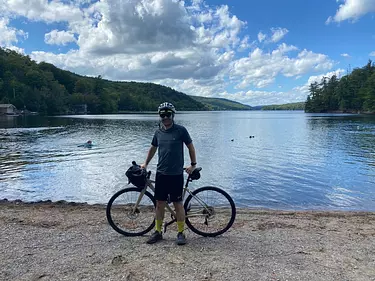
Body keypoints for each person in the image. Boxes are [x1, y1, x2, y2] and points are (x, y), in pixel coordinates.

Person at [141, 102, 197, 245]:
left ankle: (181, 232)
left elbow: (190, 147)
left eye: (168, 115)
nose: (165, 117)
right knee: (159, 204)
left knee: (178, 204)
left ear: (173, 115)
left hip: (176, 174)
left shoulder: (180, 130)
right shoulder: (158, 132)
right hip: (161, 174)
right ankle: (158, 232)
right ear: (160, 116)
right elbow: (152, 149)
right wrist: (145, 163)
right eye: (162, 115)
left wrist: (193, 164)